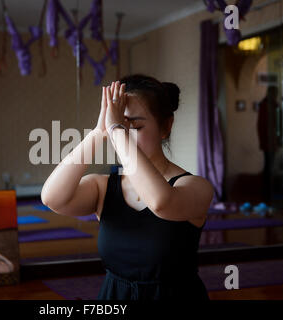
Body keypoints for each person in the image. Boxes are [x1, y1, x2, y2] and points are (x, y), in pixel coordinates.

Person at [41, 74, 214, 300]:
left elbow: (160, 202)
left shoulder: (195, 186)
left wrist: (116, 128)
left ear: (166, 127)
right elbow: (52, 198)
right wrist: (99, 132)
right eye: (119, 127)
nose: (122, 135)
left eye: (135, 126)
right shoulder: (102, 187)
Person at [257, 86, 279, 200]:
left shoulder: (274, 105)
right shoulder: (265, 105)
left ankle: (269, 191)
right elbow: (262, 126)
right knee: (268, 167)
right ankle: (267, 192)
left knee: (270, 166)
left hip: (271, 141)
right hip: (268, 141)